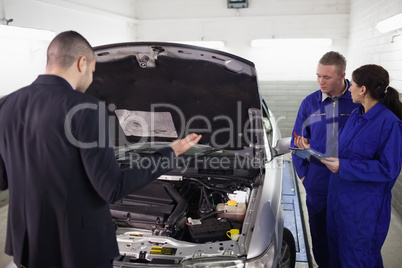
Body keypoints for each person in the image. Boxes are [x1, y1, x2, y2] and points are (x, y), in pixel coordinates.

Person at [0, 31, 201, 268]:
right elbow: (112, 188)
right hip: (77, 251)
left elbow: (3, 179)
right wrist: (170, 153)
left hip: (28, 247)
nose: (92, 79)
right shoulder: (85, 108)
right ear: (82, 63)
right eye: (93, 71)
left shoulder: (7, 104)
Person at [321, 64, 402, 267]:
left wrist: (344, 167)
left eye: (353, 85)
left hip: (362, 209)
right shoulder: (357, 115)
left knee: (358, 258)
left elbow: (388, 169)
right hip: (339, 199)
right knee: (337, 253)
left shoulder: (389, 123)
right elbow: (342, 150)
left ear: (363, 89)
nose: (349, 89)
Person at [291, 51, 359, 267]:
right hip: (318, 182)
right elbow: (297, 143)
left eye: (326, 77)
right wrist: (304, 176)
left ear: (342, 76)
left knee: (347, 235)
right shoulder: (310, 103)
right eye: (318, 75)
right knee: (320, 237)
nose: (321, 81)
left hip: (350, 180)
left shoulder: (358, 101)